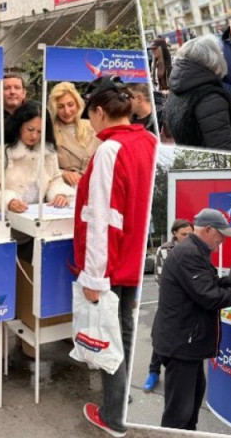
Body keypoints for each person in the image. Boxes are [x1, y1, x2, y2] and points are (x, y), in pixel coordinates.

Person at [74, 76, 158, 437]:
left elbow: (102, 219)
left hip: (113, 261)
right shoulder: (149, 141)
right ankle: (119, 410)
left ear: (98, 111)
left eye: (88, 117)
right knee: (122, 329)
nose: (89, 126)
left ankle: (114, 417)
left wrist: (93, 277)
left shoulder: (110, 150)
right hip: (135, 257)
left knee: (112, 336)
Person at [151, 209, 231, 431]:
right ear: (207, 229)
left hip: (188, 343)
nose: (223, 240)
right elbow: (210, 297)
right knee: (178, 413)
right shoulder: (189, 254)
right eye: (221, 234)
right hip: (181, 345)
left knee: (195, 396)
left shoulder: (195, 251)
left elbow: (211, 283)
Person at [0, 101, 73, 212]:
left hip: (39, 214)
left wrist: (58, 194)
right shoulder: (0, 151)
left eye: (40, 132)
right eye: (30, 129)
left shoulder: (48, 151)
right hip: (6, 217)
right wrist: (8, 202)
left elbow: (55, 179)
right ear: (19, 125)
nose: (34, 136)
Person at [164, 34, 231, 152]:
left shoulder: (178, 89)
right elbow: (225, 152)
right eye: (220, 54)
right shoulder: (210, 100)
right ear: (211, 60)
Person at [143, 219, 193, 393]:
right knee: (160, 338)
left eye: (190, 234)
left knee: (187, 340)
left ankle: (182, 378)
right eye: (184, 234)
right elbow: (159, 277)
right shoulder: (164, 250)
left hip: (189, 304)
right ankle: (153, 372)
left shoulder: (196, 249)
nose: (188, 237)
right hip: (169, 304)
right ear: (174, 233)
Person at [47, 82, 100, 187]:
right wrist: (63, 173)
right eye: (60, 107)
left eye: (70, 105)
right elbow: (42, 165)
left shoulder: (95, 125)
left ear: (78, 103)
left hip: (96, 186)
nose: (67, 111)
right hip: (66, 190)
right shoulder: (49, 132)